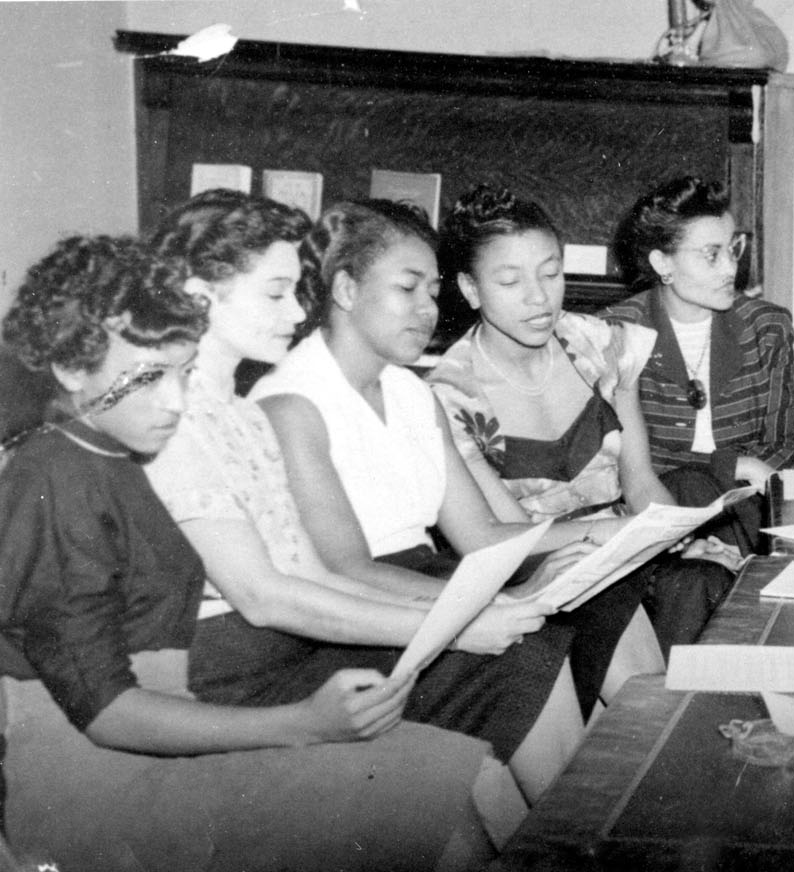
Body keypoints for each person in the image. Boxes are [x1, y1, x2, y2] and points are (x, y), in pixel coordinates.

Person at [0, 235, 505, 871]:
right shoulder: (53, 479)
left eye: (184, 372)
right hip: (97, 791)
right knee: (442, 794)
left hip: (160, 744)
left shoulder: (112, 454)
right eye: (148, 377)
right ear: (72, 370)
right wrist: (305, 724)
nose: (175, 401)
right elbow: (106, 712)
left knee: (467, 776)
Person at [143, 190, 590, 802]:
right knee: (506, 670)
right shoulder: (172, 418)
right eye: (275, 294)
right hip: (225, 679)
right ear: (200, 297)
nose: (297, 309)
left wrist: (467, 616)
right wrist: (455, 627)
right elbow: (266, 598)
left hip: (289, 651)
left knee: (508, 683)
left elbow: (309, 573)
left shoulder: (239, 416)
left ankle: (580, 827)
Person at [251, 200, 661, 725]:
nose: (427, 309)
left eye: (431, 291)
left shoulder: (409, 392)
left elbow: (480, 535)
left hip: (431, 582)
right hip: (360, 615)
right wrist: (489, 604)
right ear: (347, 290)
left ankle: (646, 747)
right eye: (407, 289)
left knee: (592, 596)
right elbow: (345, 569)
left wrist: (589, 547)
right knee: (527, 649)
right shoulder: (292, 402)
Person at [429, 185, 736, 653]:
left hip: (625, 554)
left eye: (551, 274)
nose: (539, 298)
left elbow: (640, 481)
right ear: (471, 289)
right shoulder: (449, 397)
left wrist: (674, 537)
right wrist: (626, 535)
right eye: (510, 282)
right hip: (536, 572)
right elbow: (513, 539)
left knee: (700, 576)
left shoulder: (603, 344)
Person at [603, 175, 794, 552]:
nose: (730, 268)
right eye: (712, 254)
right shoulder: (616, 332)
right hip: (652, 510)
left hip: (743, 508)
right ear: (662, 262)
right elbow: (620, 464)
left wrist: (729, 475)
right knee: (690, 489)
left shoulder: (767, 327)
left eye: (733, 249)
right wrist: (731, 464)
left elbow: (784, 446)